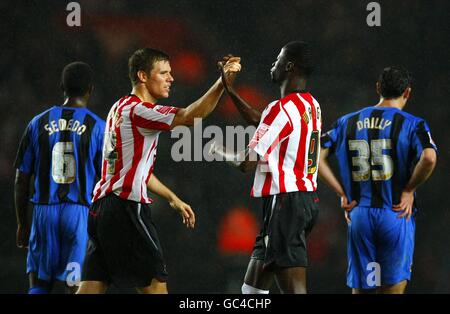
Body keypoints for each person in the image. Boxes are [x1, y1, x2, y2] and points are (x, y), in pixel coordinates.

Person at [77, 48, 241, 294]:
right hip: (126, 208)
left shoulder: (118, 108)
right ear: (143, 76)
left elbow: (133, 169)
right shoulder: (139, 111)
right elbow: (190, 116)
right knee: (155, 287)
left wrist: (172, 198)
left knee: (90, 289)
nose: (171, 78)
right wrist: (223, 82)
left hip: (102, 209)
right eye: (163, 73)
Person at [212, 41, 321, 294]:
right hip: (303, 202)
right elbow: (262, 119)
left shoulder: (280, 109)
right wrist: (229, 89)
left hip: (285, 204)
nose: (274, 64)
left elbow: (246, 163)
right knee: (251, 291)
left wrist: (217, 150)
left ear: (290, 66)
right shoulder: (310, 105)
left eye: (279, 59)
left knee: (294, 290)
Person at [319, 66, 437, 294]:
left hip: (360, 216)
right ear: (407, 93)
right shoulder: (413, 124)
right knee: (391, 289)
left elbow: (314, 157)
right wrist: (409, 189)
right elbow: (429, 158)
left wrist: (341, 193)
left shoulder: (347, 122)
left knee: (363, 289)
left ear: (378, 89)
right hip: (396, 212)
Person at [14, 62, 105, 294]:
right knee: (72, 286)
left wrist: (23, 223)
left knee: (40, 285)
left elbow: (21, 180)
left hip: (44, 211)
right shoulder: (98, 127)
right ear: (90, 90)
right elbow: (107, 180)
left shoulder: (38, 123)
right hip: (78, 216)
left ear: (61, 87)